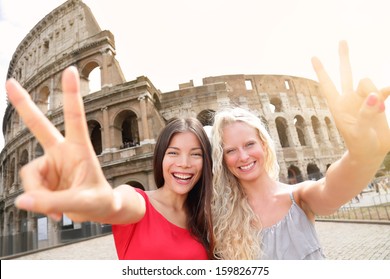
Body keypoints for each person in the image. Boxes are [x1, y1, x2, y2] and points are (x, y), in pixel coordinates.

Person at [5, 67, 214, 259]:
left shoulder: (208, 213)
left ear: (207, 161)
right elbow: (115, 203)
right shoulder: (138, 203)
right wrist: (102, 201)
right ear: (160, 157)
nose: (184, 163)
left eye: (196, 154)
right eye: (174, 153)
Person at [210, 41, 390, 260]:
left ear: (264, 145)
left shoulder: (299, 197)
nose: (244, 156)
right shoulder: (219, 219)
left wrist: (361, 157)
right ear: (222, 158)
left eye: (249, 144)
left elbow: (330, 189)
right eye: (231, 151)